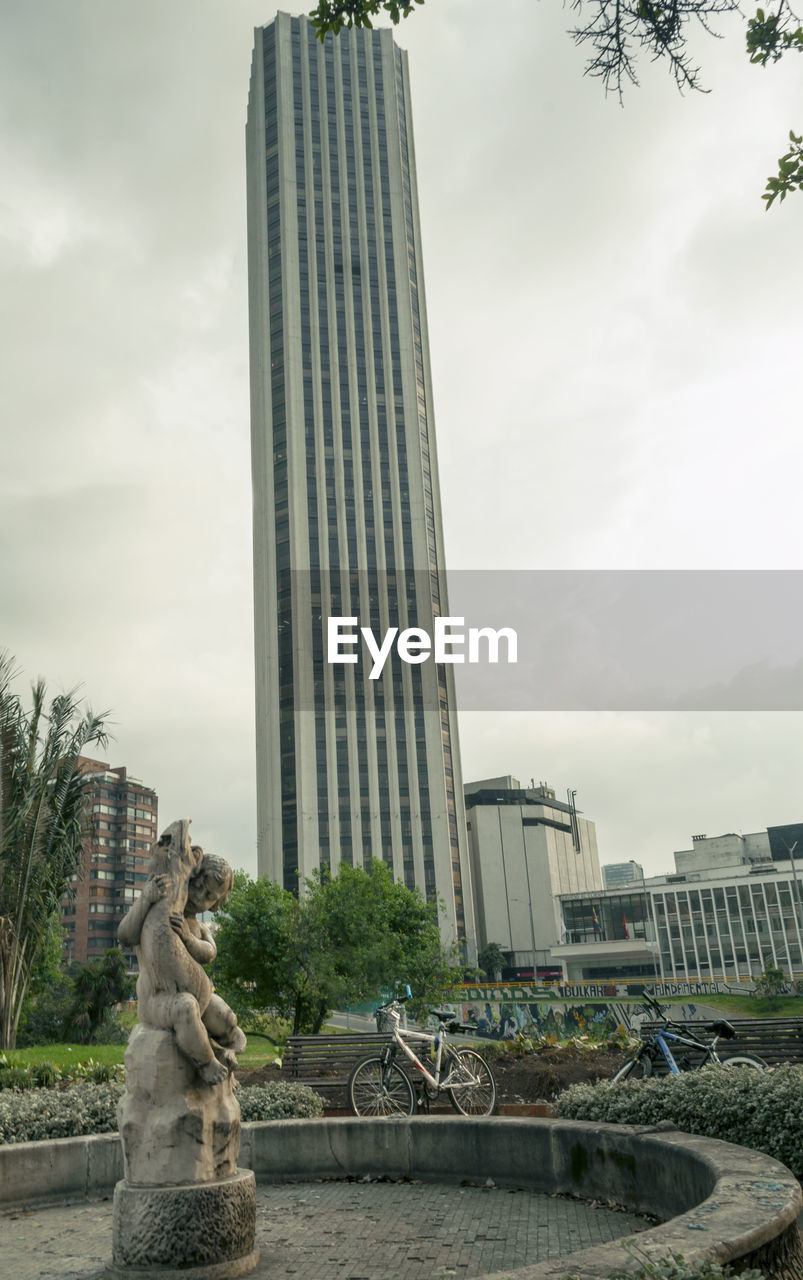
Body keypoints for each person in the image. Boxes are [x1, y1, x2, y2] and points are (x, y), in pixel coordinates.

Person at [119, 831, 245, 1084]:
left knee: (226, 1018)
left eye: (209, 896)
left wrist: (188, 938)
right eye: (198, 885)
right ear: (191, 876)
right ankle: (206, 1062)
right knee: (185, 1008)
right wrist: (146, 898)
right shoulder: (157, 906)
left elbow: (209, 952)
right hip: (158, 998)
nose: (200, 896)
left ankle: (230, 1046)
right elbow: (125, 935)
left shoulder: (195, 926)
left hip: (200, 995)